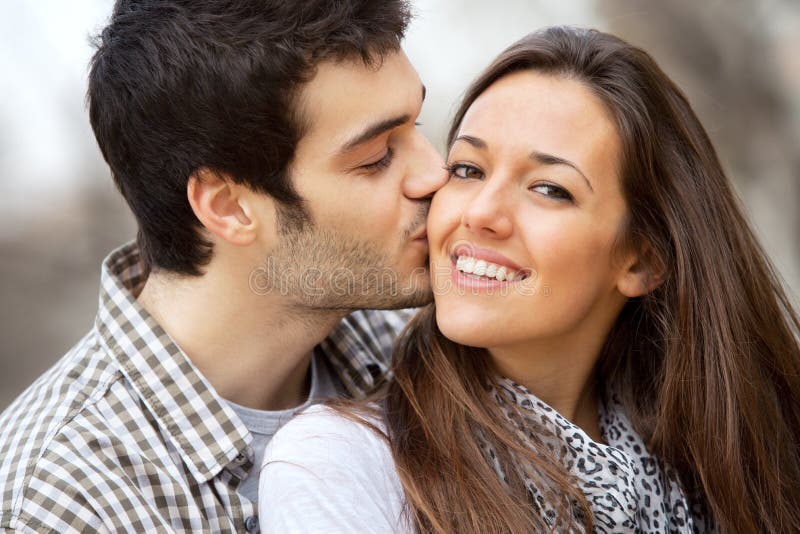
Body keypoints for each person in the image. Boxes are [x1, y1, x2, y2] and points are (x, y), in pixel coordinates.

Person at [259, 26, 800, 533]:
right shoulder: (340, 464)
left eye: (548, 188)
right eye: (469, 170)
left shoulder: (728, 462)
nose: (481, 214)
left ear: (641, 260)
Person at [0, 0, 447, 531]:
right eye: (375, 157)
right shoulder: (62, 500)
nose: (435, 173)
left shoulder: (424, 351)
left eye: (416, 123)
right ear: (228, 207)